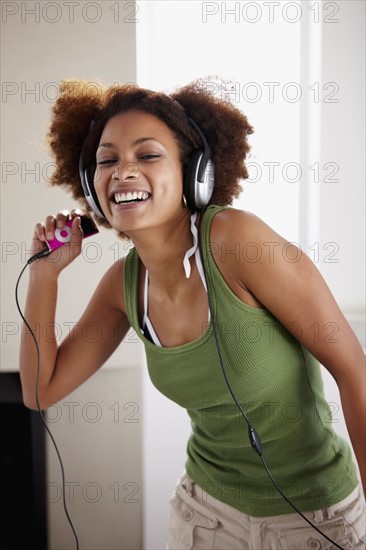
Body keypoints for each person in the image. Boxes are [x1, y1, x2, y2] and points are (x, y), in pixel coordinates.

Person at [19, 78, 365, 549]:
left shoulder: (238, 242)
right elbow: (41, 390)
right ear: (89, 184)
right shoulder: (125, 285)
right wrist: (45, 276)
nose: (122, 171)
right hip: (204, 516)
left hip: (313, 516)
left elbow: (355, 372)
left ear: (194, 173)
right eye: (106, 160)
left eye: (147, 155)